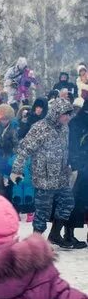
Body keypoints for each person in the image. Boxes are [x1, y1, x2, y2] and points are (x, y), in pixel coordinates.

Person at [11, 98, 78, 248]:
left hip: (60, 175)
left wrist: (68, 164)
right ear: (55, 113)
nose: (67, 117)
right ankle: (35, 241)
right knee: (43, 211)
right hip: (44, 176)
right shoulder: (40, 127)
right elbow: (24, 149)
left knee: (68, 202)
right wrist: (17, 169)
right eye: (64, 114)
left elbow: (64, 148)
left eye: (69, 114)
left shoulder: (65, 128)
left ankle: (54, 234)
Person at [67, 99, 88, 248]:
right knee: (75, 201)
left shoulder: (76, 121)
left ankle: (69, 234)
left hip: (81, 166)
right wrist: (75, 165)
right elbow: (71, 145)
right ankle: (69, 235)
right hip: (80, 167)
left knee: (77, 201)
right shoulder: (76, 122)